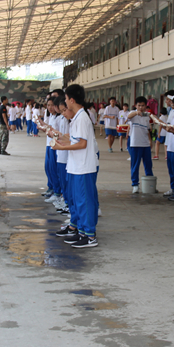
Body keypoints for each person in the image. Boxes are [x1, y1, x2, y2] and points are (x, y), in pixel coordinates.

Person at [53, 84, 99, 248]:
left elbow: (82, 144)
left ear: (71, 100)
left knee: (84, 201)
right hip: (76, 166)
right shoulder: (78, 117)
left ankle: (90, 235)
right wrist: (61, 141)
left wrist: (62, 147)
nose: (65, 102)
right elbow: (75, 141)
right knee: (78, 200)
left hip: (83, 167)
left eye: (66, 99)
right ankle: (82, 231)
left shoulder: (81, 118)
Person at [127, 97, 154, 193]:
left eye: (143, 105)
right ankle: (135, 184)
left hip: (145, 144)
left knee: (148, 165)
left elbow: (147, 130)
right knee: (135, 165)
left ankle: (150, 184)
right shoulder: (133, 114)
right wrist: (136, 112)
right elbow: (128, 117)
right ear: (136, 106)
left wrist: (150, 141)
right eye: (139, 105)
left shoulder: (147, 116)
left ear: (146, 106)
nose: (141, 107)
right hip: (135, 144)